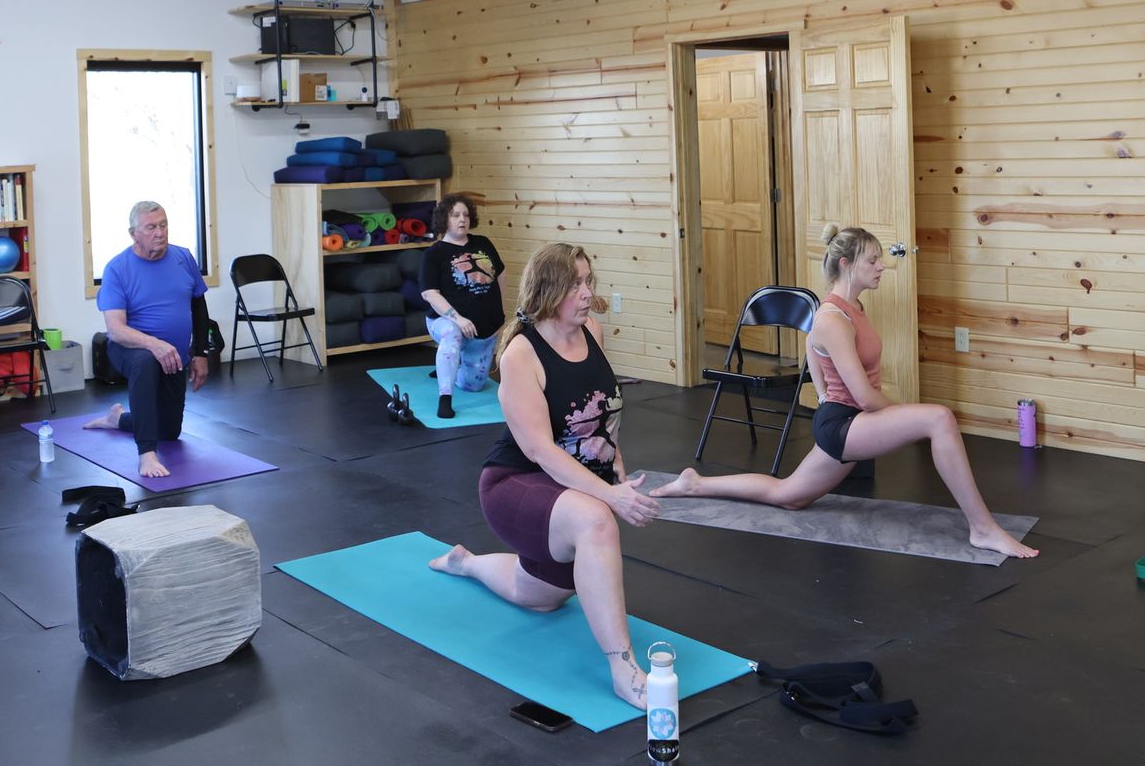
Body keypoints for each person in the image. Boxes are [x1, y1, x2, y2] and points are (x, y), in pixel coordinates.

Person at [653, 223, 1038, 559]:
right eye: (872, 260)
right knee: (938, 418)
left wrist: (824, 393)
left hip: (847, 418)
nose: (881, 267)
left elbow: (810, 346)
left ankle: (696, 483)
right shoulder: (833, 318)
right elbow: (867, 398)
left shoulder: (848, 308)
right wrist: (907, 419)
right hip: (845, 424)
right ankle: (983, 529)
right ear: (846, 264)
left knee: (790, 496)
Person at [428, 242, 659, 708]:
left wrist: (616, 471)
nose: (587, 292)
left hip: (568, 483)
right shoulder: (521, 354)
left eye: (589, 281)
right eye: (575, 284)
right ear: (549, 290)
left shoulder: (592, 330)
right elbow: (539, 448)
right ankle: (622, 666)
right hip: (515, 483)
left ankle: (466, 562)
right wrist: (609, 499)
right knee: (596, 521)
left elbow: (602, 416)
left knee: (537, 595)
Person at [82, 201, 210, 478]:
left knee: (169, 431)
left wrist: (200, 352)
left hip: (173, 354)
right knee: (145, 361)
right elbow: (116, 330)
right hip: (129, 349)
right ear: (133, 233)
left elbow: (199, 307)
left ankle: (118, 419)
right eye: (151, 227)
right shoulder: (117, 268)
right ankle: (146, 454)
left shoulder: (183, 257)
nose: (160, 233)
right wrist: (155, 344)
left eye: (163, 225)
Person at [417, 193, 506, 418]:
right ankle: (445, 398)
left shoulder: (483, 243)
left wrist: (499, 312)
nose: (461, 219)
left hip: (483, 328)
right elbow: (430, 294)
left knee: (473, 385)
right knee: (452, 333)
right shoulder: (433, 254)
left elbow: (500, 275)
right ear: (444, 219)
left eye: (465, 214)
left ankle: (450, 367)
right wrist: (458, 319)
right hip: (445, 322)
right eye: (455, 215)